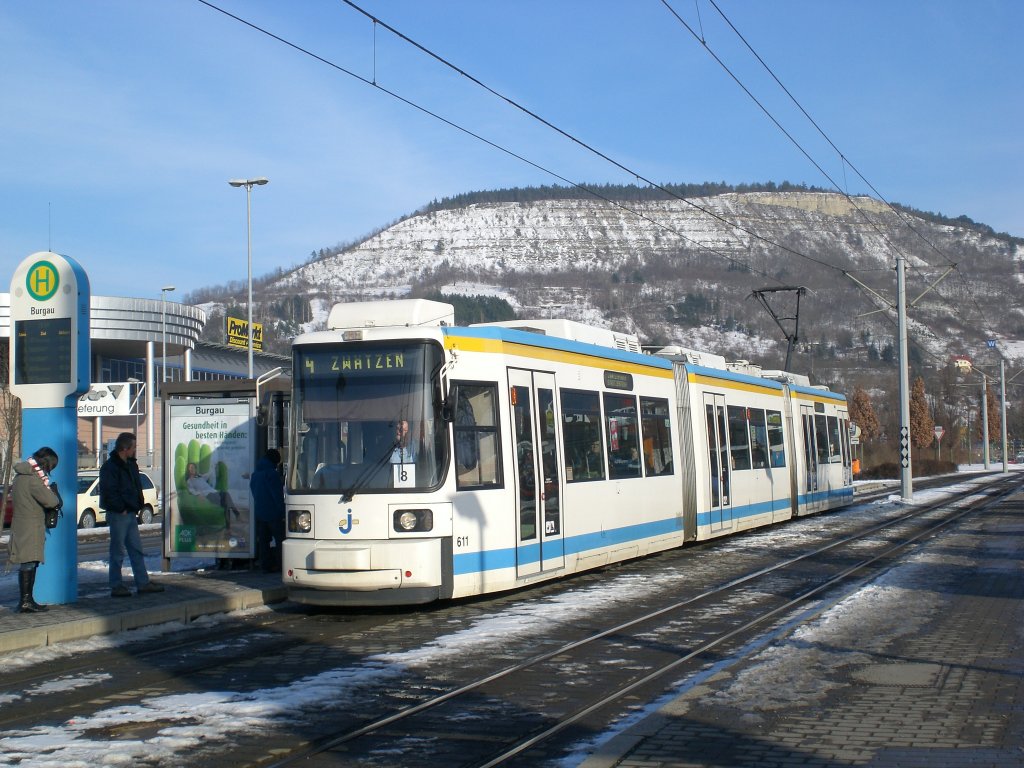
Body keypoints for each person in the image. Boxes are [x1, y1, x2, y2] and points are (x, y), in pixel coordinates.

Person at [99, 432, 164, 597]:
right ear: (125, 448)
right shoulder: (110, 467)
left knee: (136, 549)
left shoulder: (130, 464)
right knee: (117, 551)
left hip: (129, 512)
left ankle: (142, 583)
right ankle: (116, 585)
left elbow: (134, 487)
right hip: (119, 513)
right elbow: (109, 491)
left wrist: (137, 505)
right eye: (134, 447)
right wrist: (121, 508)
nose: (135, 450)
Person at [9, 447, 61, 613]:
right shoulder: (33, 479)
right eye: (51, 466)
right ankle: (25, 601)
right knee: (29, 563)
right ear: (45, 463)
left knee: (29, 562)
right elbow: (52, 501)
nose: (50, 470)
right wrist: (53, 493)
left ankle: (27, 600)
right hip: (30, 526)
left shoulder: (20, 476)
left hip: (22, 524)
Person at [249, 449, 286, 573]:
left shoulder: (256, 474)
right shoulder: (271, 474)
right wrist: (282, 511)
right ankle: (282, 565)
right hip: (273, 513)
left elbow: (253, 491)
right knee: (280, 540)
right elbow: (277, 495)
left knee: (264, 541)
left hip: (260, 512)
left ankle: (265, 565)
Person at [185, 461, 240, 533]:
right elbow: (191, 490)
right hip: (208, 495)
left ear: (195, 468)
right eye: (189, 468)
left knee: (226, 496)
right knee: (226, 501)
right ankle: (236, 516)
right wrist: (198, 494)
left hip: (214, 491)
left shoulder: (200, 476)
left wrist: (212, 466)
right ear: (188, 470)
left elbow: (208, 474)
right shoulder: (189, 481)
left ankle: (229, 526)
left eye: (192, 467)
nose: (191, 469)